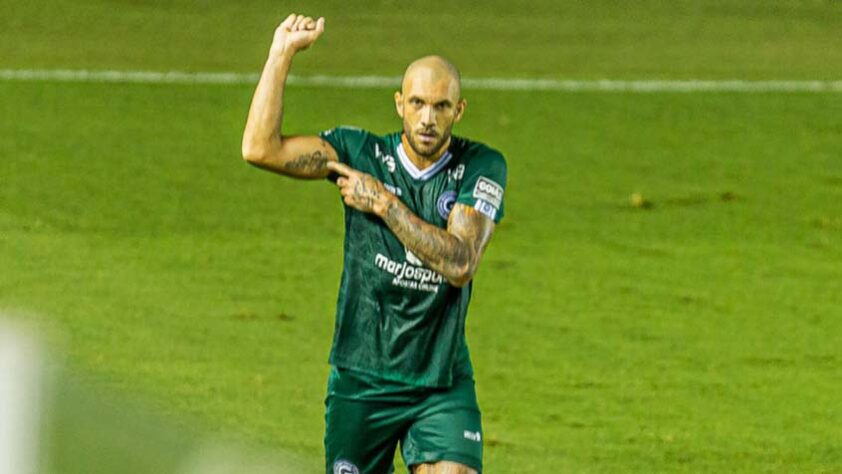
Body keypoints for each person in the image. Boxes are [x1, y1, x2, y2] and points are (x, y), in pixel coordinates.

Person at [242, 14, 507, 474]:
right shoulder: (359, 154)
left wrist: (384, 203)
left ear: (458, 111)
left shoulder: (480, 167)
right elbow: (259, 149)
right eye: (418, 103)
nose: (428, 118)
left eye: (441, 106)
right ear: (399, 104)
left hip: (439, 380)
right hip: (362, 376)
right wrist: (280, 54)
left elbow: (461, 263)